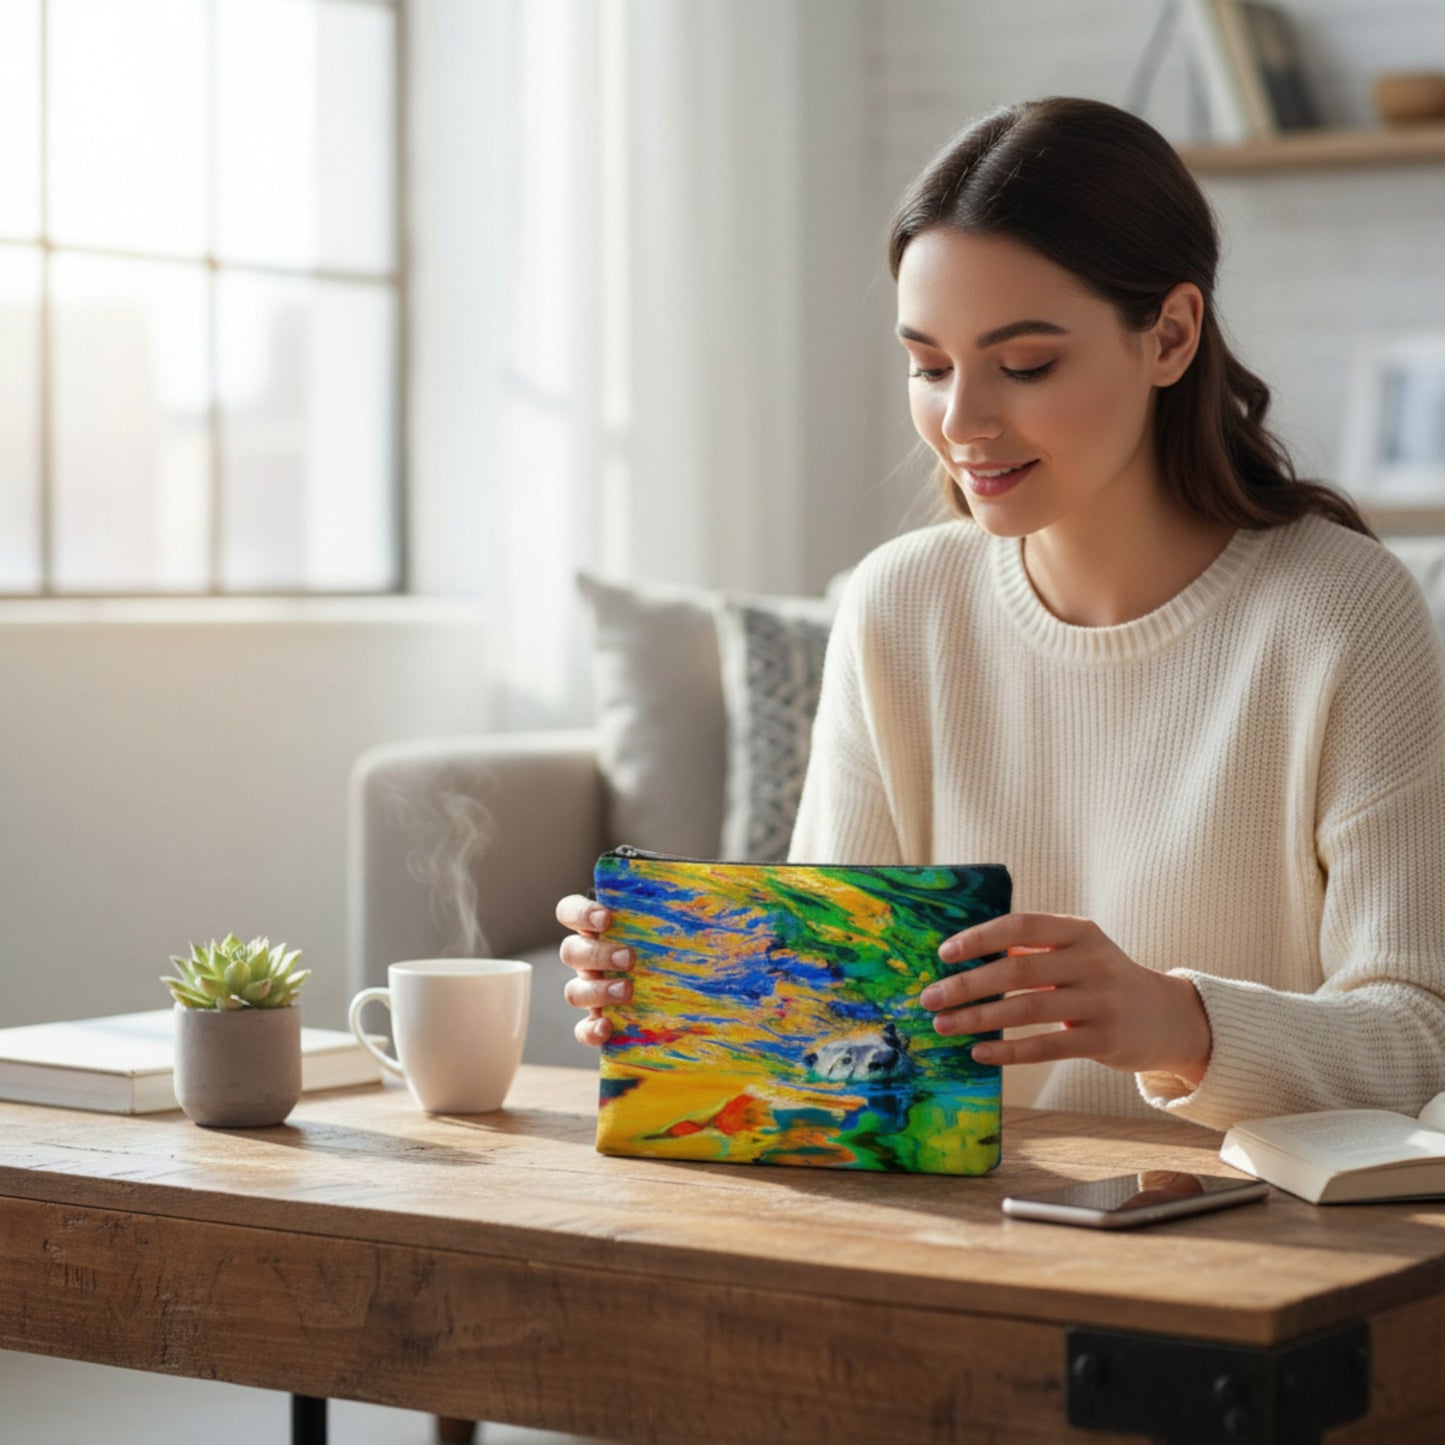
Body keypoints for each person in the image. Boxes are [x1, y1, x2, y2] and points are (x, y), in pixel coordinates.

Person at [555, 95, 1445, 1131]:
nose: (962, 421)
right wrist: (690, 999)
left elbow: (1419, 1036)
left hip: (1244, 1213)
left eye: (1024, 365)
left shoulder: (1343, 613)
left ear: (1168, 335)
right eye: (928, 366)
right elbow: (835, 1031)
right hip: (966, 1207)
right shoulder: (896, 606)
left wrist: (1177, 1022)